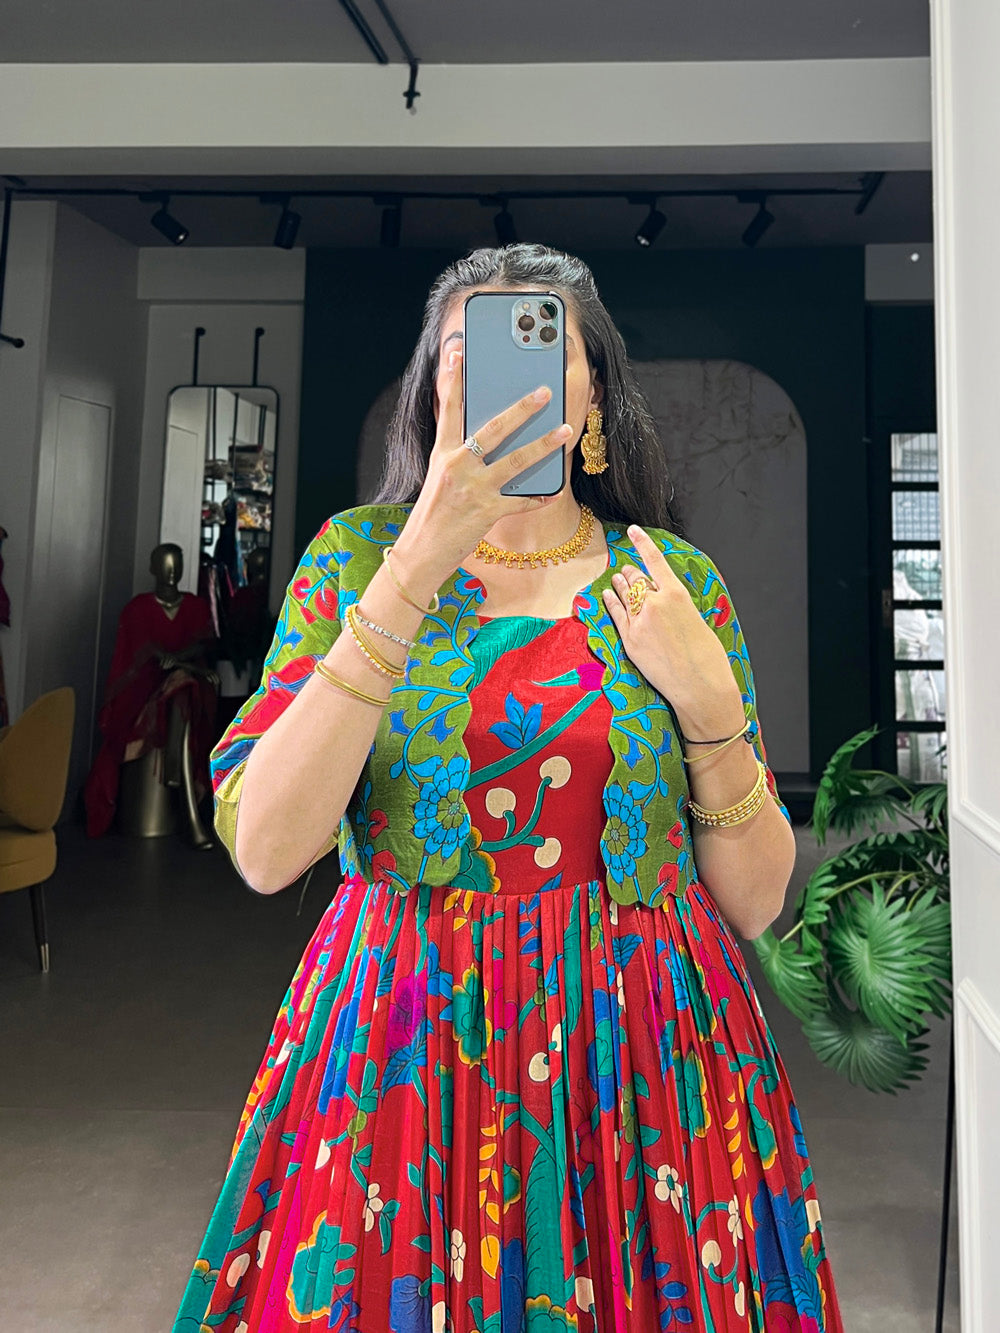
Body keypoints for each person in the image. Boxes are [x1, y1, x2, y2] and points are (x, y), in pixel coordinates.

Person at [172, 244, 844, 1332]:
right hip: (408, 1039)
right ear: (429, 392)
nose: (506, 374)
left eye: (545, 347)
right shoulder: (355, 559)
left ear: (595, 399)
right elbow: (265, 851)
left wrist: (709, 705)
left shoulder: (670, 581)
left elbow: (760, 898)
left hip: (645, 1048)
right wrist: (414, 569)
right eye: (466, 349)